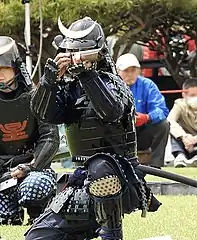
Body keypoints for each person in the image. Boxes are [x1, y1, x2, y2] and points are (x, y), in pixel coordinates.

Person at [25, 17, 161, 240]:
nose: (76, 59)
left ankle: (112, 234)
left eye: (82, 53)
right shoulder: (68, 88)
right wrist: (49, 82)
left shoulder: (114, 82)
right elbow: (44, 114)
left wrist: (86, 75)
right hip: (82, 177)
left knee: (101, 166)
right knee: (38, 237)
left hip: (120, 175)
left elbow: (111, 111)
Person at [0, 36, 60, 225]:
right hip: (0, 175)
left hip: (34, 169)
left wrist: (32, 166)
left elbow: (50, 137)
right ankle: (11, 215)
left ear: (15, 67)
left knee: (35, 186)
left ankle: (38, 213)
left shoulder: (36, 98)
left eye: (2, 68)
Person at [116, 53, 169, 168]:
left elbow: (162, 110)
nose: (130, 74)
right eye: (126, 71)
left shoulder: (148, 85)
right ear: (117, 72)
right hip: (118, 132)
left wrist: (147, 117)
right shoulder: (111, 86)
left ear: (139, 71)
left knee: (163, 124)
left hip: (142, 131)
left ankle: (156, 166)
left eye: (133, 70)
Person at [168, 78, 197, 167]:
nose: (196, 98)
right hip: (185, 141)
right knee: (171, 129)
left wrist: (196, 139)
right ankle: (179, 156)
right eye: (192, 95)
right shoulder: (179, 104)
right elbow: (170, 120)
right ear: (184, 94)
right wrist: (184, 136)